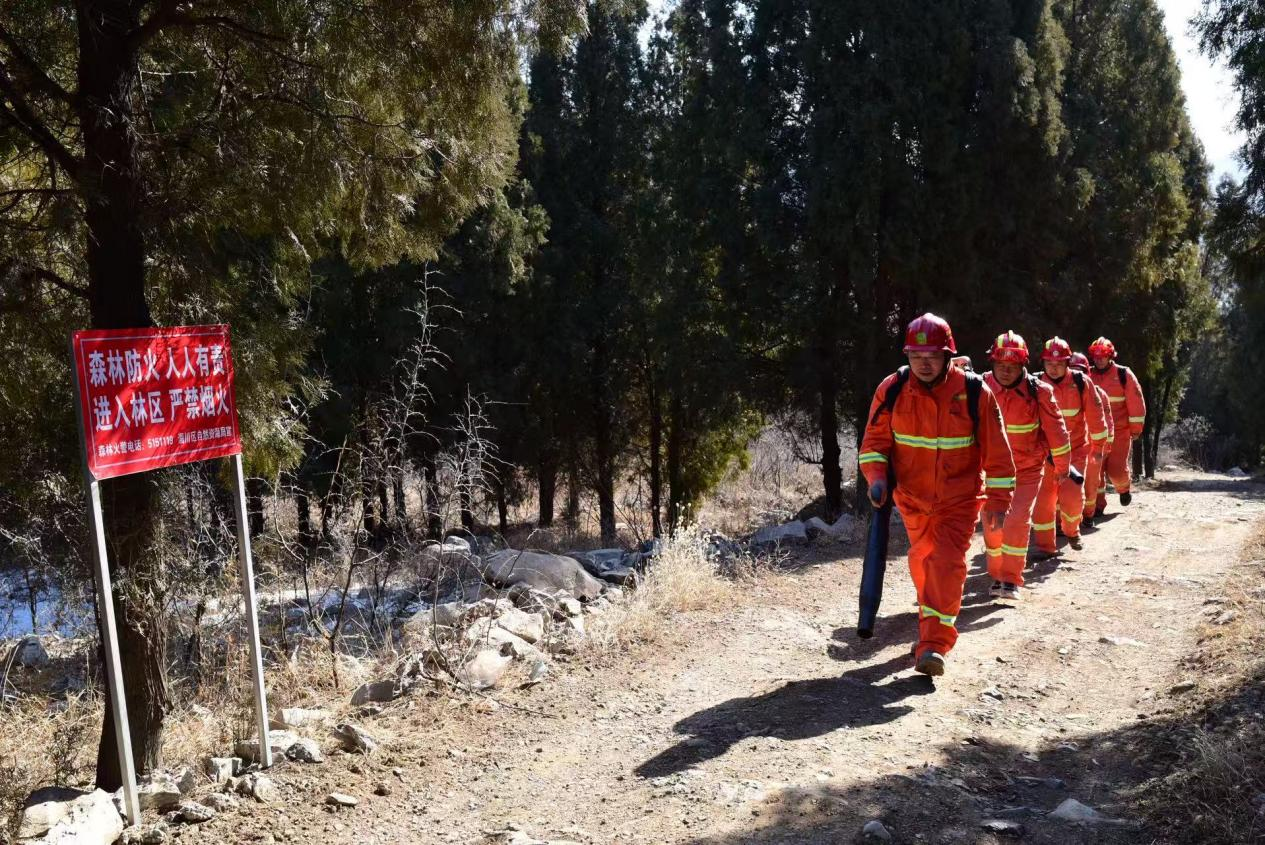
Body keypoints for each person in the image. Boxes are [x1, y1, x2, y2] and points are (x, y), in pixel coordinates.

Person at [859, 313, 1015, 676]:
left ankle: (933, 644)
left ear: (948, 355)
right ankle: (930, 618)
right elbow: (874, 444)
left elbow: (997, 453)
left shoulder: (975, 392)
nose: (924, 363)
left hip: (959, 500)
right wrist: (877, 478)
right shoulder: (892, 389)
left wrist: (999, 500)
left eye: (932, 356)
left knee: (945, 563)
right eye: (916, 356)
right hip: (912, 499)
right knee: (923, 558)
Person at [981, 332, 1070, 601]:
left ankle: (1011, 580)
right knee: (992, 523)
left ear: (1023, 365)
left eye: (1012, 366)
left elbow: (1057, 431)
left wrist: (1062, 467)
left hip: (1027, 470)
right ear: (992, 364)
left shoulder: (1039, 392)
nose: (1005, 372)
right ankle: (997, 575)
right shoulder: (980, 387)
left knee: (1017, 520)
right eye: (1000, 365)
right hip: (991, 471)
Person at [1034, 338, 1106, 551]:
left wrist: (1098, 447)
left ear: (1067, 363)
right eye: (1049, 363)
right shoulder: (1034, 384)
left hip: (1075, 452)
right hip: (1044, 455)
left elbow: (1095, 416)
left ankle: (1072, 532)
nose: (1053, 368)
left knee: (1072, 497)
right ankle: (1045, 546)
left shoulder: (1081, 383)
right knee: (1043, 502)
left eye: (1058, 364)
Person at [1086, 337, 1146, 510]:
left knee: (1116, 470)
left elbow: (1136, 403)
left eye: (1103, 355)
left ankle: (1124, 489)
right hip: (1094, 432)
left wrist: (1135, 429)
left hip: (1119, 432)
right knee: (1094, 471)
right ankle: (1096, 506)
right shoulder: (1087, 375)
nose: (1099, 359)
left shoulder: (1123, 374)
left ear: (1110, 355)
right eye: (1096, 356)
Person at [1071, 352, 1114, 526]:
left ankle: (1088, 515)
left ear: (1087, 373)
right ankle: (1062, 521)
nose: (1076, 374)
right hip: (1071, 446)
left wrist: (1106, 444)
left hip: (1093, 447)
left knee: (1091, 483)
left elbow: (1107, 421)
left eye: (1080, 371)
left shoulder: (1099, 394)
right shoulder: (1057, 392)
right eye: (1072, 370)